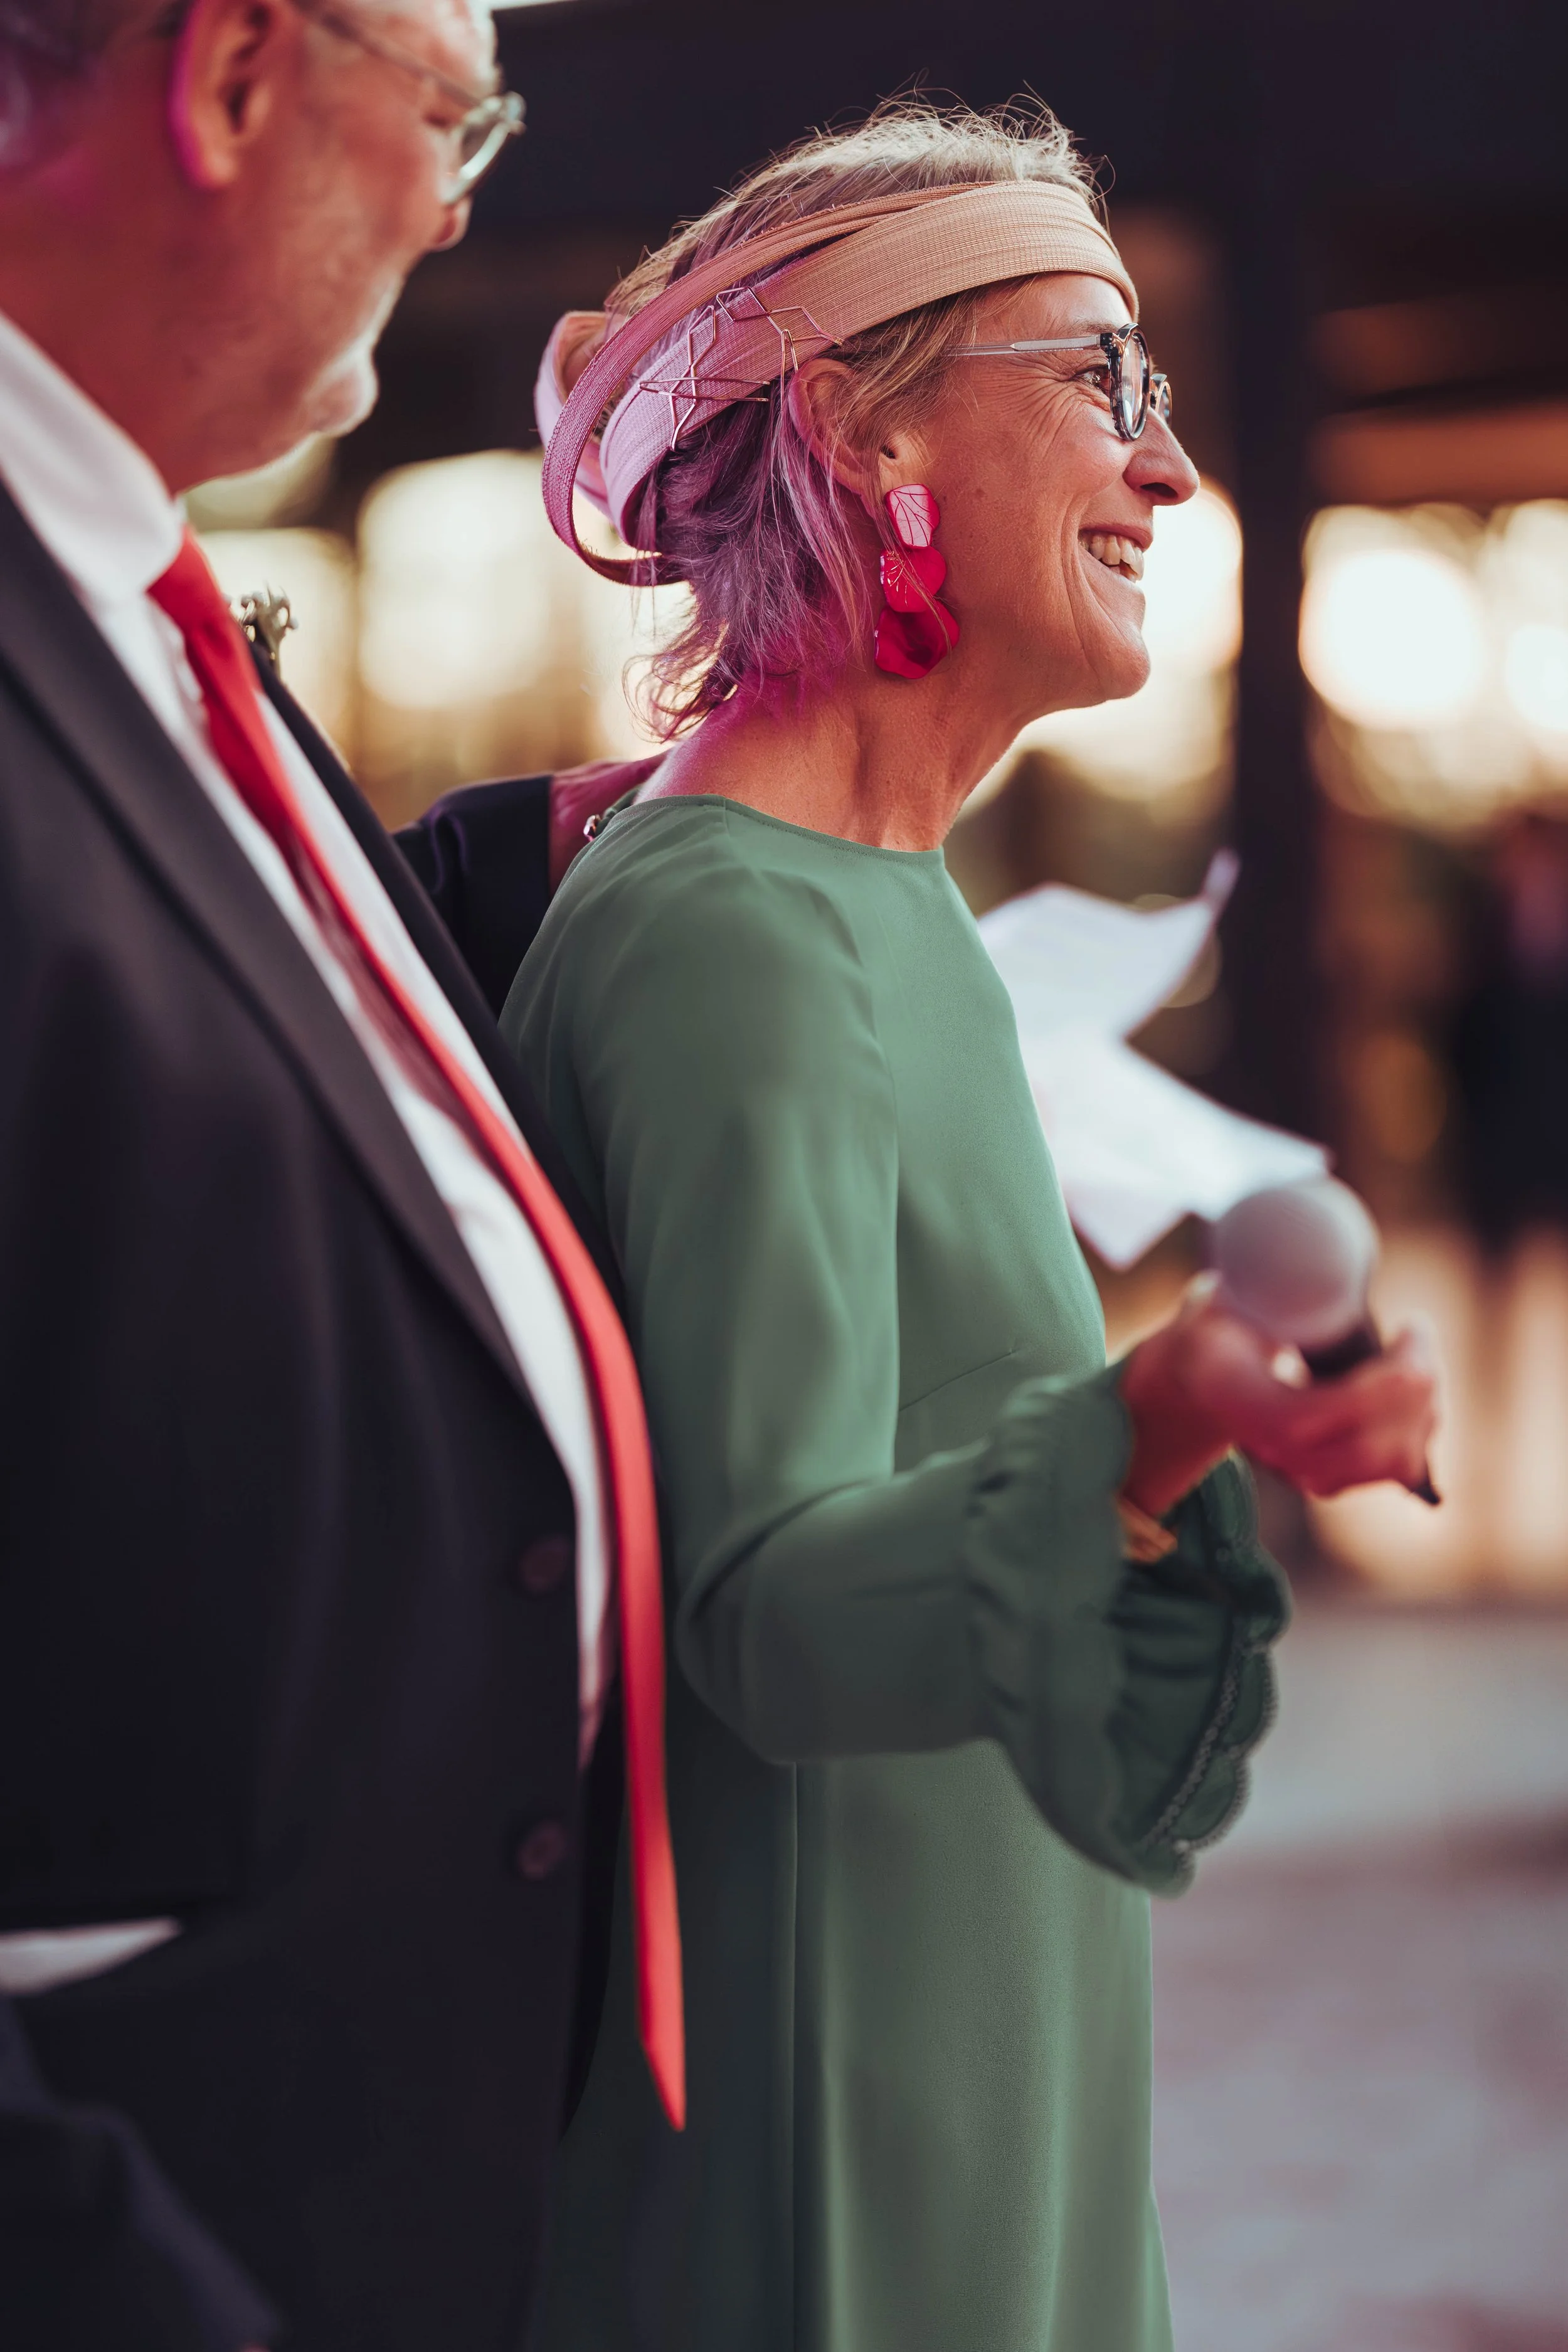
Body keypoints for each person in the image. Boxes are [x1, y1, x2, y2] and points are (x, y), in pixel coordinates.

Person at [497, 104, 1440, 2352]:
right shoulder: (732, 930)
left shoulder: (868, 900)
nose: (1166, 471)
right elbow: (764, 1613)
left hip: (960, 2009)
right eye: (1101, 381)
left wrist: (1178, 1420)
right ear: (853, 427)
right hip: (840, 2096)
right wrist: (1159, 1409)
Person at [0, 5, 681, 2349]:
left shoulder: (123, 578)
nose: (457, 197)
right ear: (229, 83)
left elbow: (171, 976)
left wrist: (596, 853)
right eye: (452, 113)